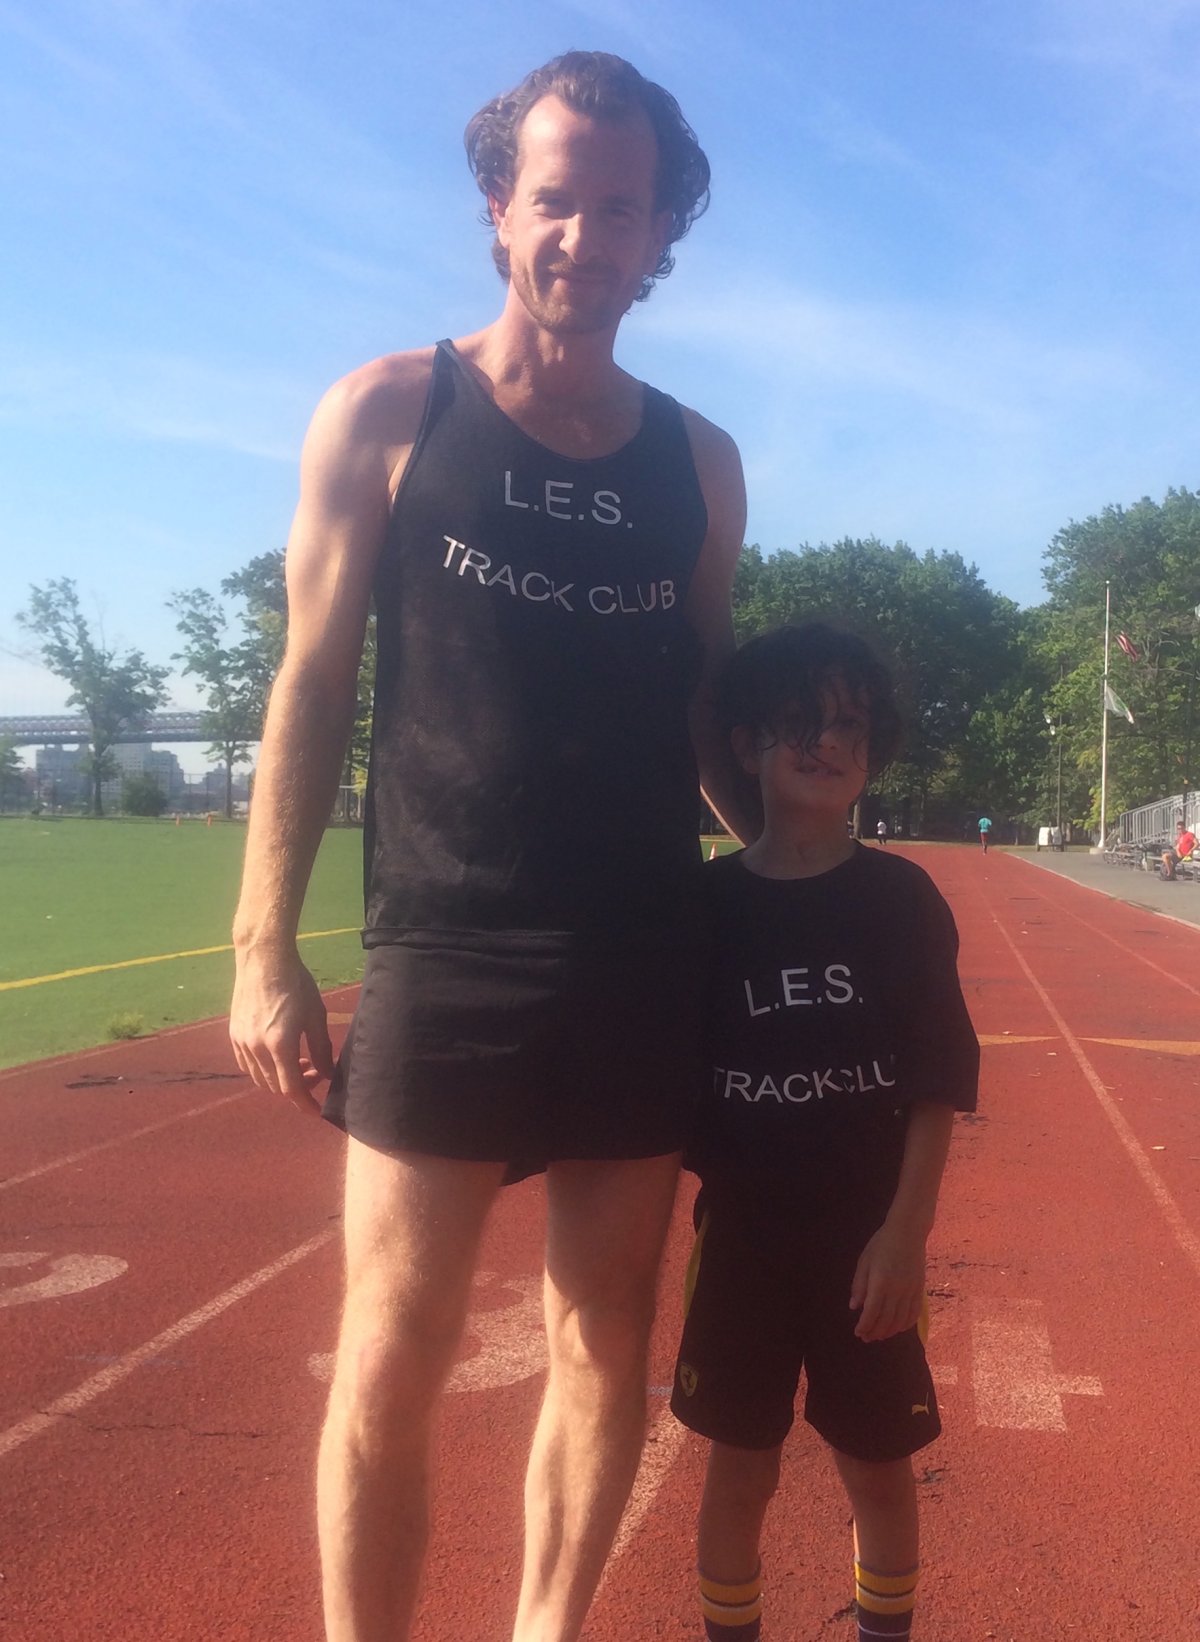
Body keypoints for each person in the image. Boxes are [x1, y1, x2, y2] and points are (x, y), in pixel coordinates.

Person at [228, 51, 751, 1642]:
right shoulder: (392, 410)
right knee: (391, 1341)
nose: (585, 235)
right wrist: (264, 945)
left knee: (606, 1339)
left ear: (661, 233)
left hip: (643, 946)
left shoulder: (702, 464)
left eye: (620, 205)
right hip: (444, 939)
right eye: (555, 199)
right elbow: (311, 679)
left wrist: (826, 863)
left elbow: (711, 716)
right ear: (497, 209)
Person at [670, 624, 979, 1642]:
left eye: (848, 724)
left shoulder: (898, 900)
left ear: (872, 752)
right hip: (744, 1237)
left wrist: (906, 1233)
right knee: (740, 1464)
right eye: (800, 721)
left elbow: (936, 1081)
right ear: (751, 741)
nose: (825, 741)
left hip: (866, 1241)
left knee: (879, 1467)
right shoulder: (703, 908)